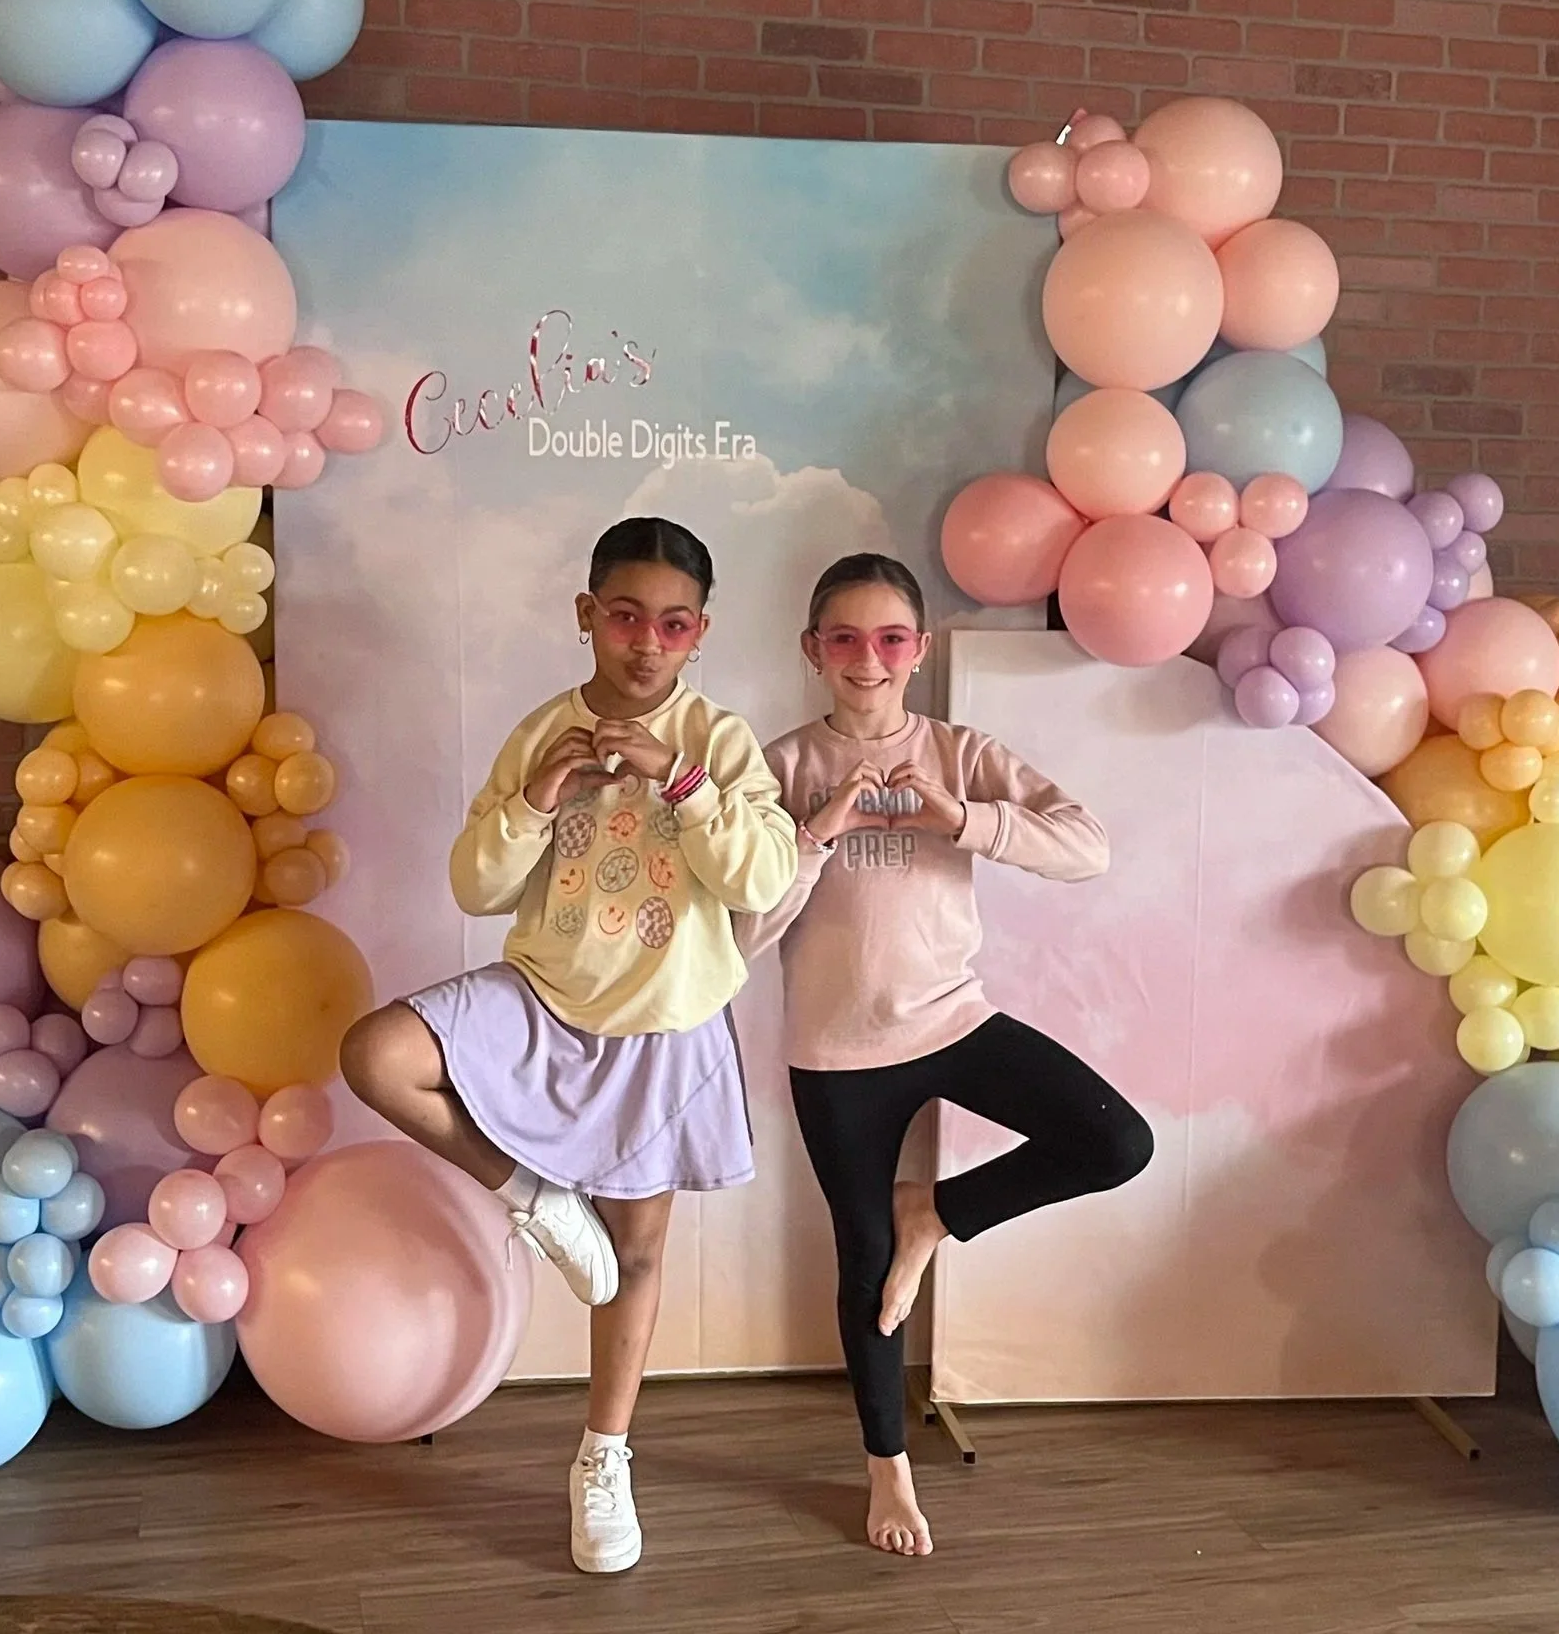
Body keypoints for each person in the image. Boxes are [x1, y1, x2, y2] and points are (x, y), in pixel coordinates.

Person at [340, 516, 798, 1577]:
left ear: (700, 635)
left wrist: (678, 781)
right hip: (544, 996)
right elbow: (476, 883)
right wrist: (540, 794)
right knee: (376, 1053)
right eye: (626, 615)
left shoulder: (719, 737)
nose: (647, 641)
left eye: (672, 623)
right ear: (587, 614)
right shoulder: (543, 729)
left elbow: (763, 881)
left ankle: (603, 1458)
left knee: (633, 1260)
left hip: (665, 1021)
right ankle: (536, 1195)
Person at [740, 552, 1154, 1558]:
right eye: (844, 637)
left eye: (889, 638)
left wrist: (960, 817)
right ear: (813, 650)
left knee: (1115, 1141)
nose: (868, 658)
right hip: (836, 1054)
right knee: (866, 1266)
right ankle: (887, 1466)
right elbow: (741, 934)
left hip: (951, 1018)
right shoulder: (780, 765)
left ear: (917, 651)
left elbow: (1086, 843)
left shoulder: (961, 750)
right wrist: (820, 831)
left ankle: (935, 1209)